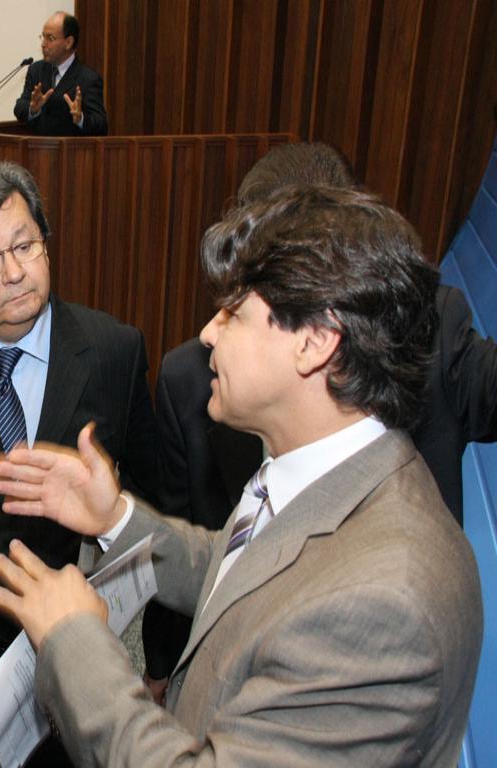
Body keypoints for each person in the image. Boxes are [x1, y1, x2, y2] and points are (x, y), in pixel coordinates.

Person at [0, 185, 483, 767]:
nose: (208, 333)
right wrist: (115, 517)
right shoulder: (318, 469)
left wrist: (75, 641)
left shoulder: (382, 605)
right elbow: (242, 578)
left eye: (234, 314)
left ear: (315, 343)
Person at [140, 141, 497, 696]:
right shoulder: (195, 379)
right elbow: (224, 555)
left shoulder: (428, 332)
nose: (212, 330)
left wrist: (73, 642)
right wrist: (161, 671)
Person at [0, 160, 159, 665]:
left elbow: (154, 509)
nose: (15, 273)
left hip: (68, 645)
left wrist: (160, 657)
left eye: (25, 246)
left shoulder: (113, 351)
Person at [14, 11, 108, 136]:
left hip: (70, 148)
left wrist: (81, 119)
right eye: (43, 37)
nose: (43, 44)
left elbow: (101, 126)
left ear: (68, 42)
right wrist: (32, 109)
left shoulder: (88, 79)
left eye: (50, 38)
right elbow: (19, 108)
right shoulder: (36, 70)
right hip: (37, 147)